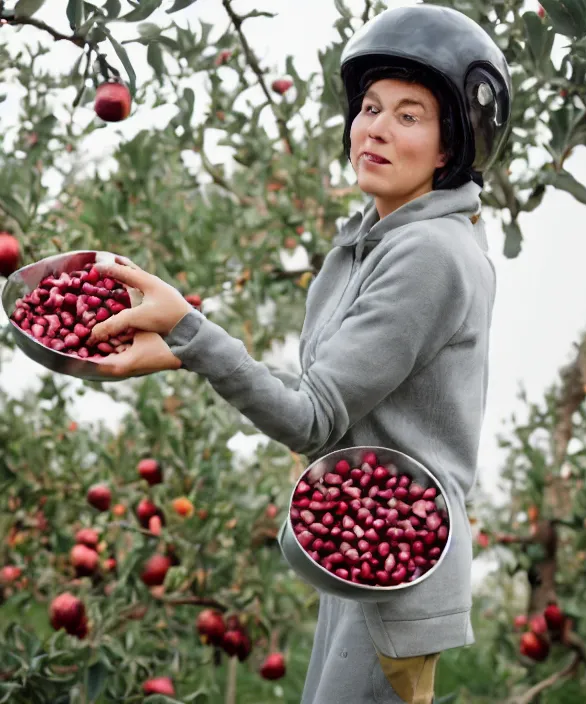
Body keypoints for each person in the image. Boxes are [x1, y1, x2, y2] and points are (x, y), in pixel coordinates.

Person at [87, 5, 511, 703]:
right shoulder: (374, 237)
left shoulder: (431, 253)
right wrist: (179, 349)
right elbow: (328, 397)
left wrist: (191, 329)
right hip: (361, 543)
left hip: (398, 560)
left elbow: (313, 417)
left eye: (409, 116)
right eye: (370, 107)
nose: (374, 127)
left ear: (448, 147)